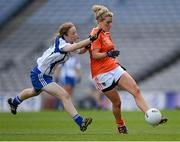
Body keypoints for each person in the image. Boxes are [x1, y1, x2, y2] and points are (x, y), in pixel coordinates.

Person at [88, 5, 168, 134]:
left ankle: (152, 116)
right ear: (100, 21)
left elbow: (106, 49)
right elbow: (95, 55)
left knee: (136, 90)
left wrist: (111, 54)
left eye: (111, 22)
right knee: (117, 103)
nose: (110, 25)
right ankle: (120, 125)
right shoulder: (95, 34)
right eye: (108, 22)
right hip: (102, 74)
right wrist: (108, 54)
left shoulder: (106, 32)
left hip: (114, 67)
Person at [7, 22, 101, 132]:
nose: (76, 35)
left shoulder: (68, 43)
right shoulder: (62, 44)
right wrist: (90, 39)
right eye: (73, 33)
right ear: (65, 35)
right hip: (40, 74)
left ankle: (14, 102)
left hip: (45, 75)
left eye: (76, 32)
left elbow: (80, 50)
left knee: (34, 92)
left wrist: (89, 44)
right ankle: (81, 122)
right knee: (64, 95)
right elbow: (76, 46)